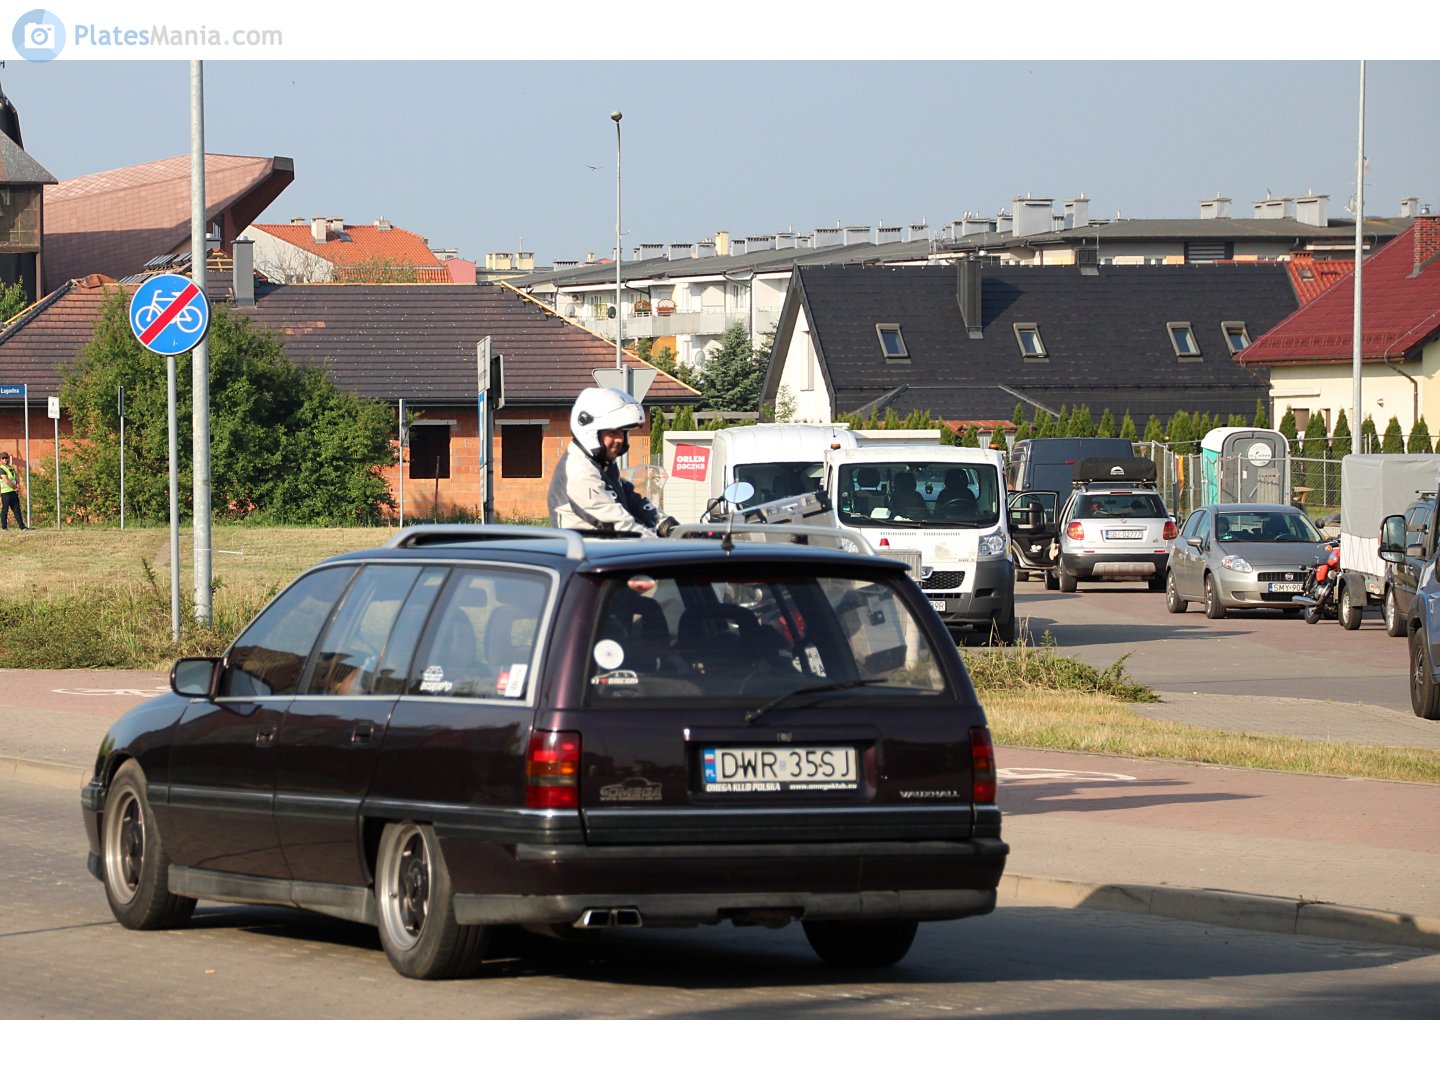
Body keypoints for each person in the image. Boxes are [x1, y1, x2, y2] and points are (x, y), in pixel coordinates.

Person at [548, 386, 678, 538]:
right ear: (590, 431)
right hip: (584, 551)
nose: (620, 439)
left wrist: (668, 525)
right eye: (613, 432)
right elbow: (619, 525)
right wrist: (664, 545)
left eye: (622, 432)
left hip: (607, 549)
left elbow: (631, 499)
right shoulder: (579, 471)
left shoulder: (600, 464)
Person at [0, 451, 26, 531]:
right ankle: (4, 527)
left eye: (6, 458)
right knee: (5, 510)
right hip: (6, 493)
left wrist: (17, 485)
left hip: (13, 492)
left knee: (17, 510)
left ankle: (22, 527)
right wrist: (15, 487)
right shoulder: (1, 469)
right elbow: (6, 481)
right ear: (1, 459)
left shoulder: (11, 467)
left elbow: (15, 477)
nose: (5, 459)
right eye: (3, 458)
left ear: (8, 458)